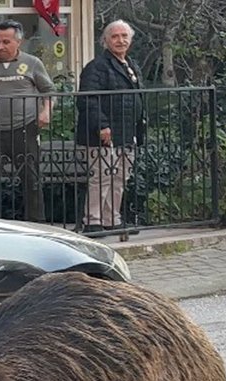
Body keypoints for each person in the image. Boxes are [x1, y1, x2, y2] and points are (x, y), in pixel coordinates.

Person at [0, 19, 56, 222]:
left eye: (6, 42)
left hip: (25, 128)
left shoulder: (33, 63)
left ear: (19, 42)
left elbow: (49, 91)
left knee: (31, 180)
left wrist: (46, 111)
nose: (0, 46)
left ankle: (37, 225)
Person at [74, 20, 146, 234]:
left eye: (124, 36)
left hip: (126, 131)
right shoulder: (97, 66)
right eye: (115, 36)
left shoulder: (131, 64)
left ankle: (112, 219)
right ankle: (93, 220)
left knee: (120, 177)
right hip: (102, 134)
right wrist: (102, 125)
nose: (120, 40)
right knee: (102, 176)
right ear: (105, 40)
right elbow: (87, 100)